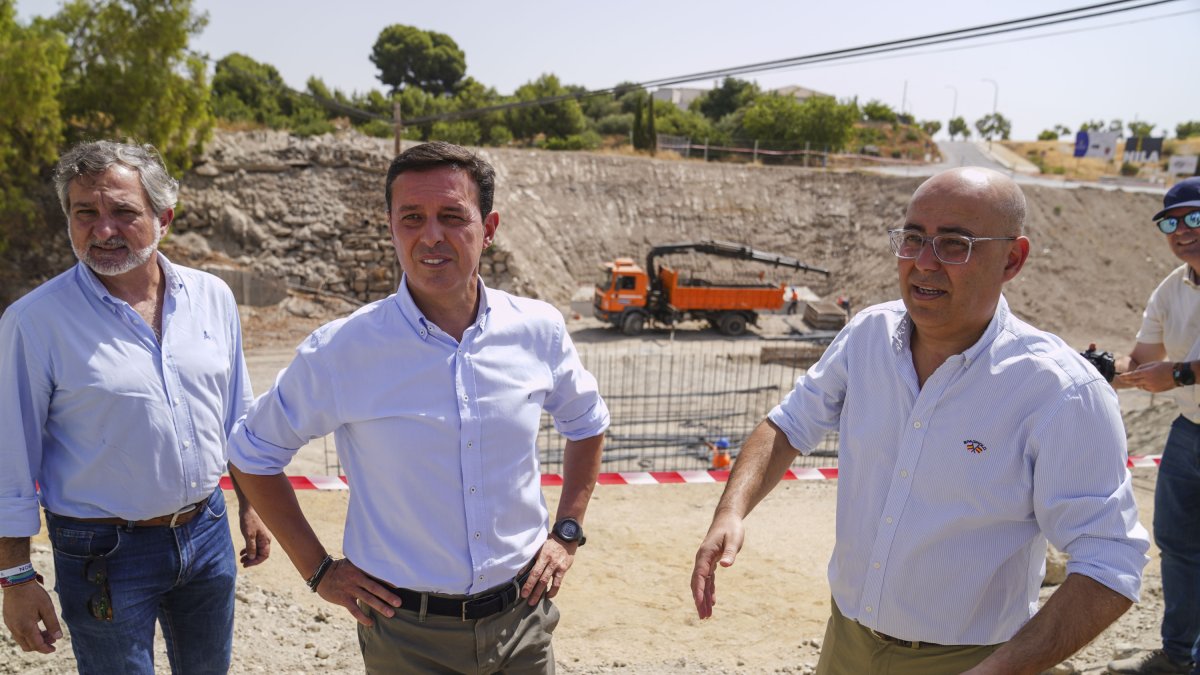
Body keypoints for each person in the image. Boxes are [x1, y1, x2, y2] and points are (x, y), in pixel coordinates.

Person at [691, 167, 1150, 675]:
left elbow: (1111, 564)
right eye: (913, 239)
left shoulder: (1061, 392)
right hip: (846, 640)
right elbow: (787, 426)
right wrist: (731, 513)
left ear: (1012, 259)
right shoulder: (867, 335)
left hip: (970, 661)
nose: (924, 263)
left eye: (955, 244)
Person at [227, 141, 609, 674]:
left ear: (489, 227)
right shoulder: (343, 350)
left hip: (522, 621)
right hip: (407, 637)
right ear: (391, 227)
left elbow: (588, 423)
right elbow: (250, 454)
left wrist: (567, 531)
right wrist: (318, 571)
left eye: (452, 216)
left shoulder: (537, 330)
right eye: (412, 218)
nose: (431, 235)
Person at [0, 140, 270, 673]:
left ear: (163, 218)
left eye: (123, 212)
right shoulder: (34, 323)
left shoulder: (212, 296)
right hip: (102, 553)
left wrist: (250, 503)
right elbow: (8, 459)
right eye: (85, 214)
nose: (103, 230)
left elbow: (237, 411)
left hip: (207, 532)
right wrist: (14, 577)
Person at [1105, 177, 1200, 675]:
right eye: (1171, 222)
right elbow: (1143, 360)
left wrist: (1181, 373)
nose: (1182, 230)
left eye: (1195, 217)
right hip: (1189, 429)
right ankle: (1179, 656)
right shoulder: (1172, 287)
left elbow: (1169, 369)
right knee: (1179, 546)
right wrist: (1098, 368)